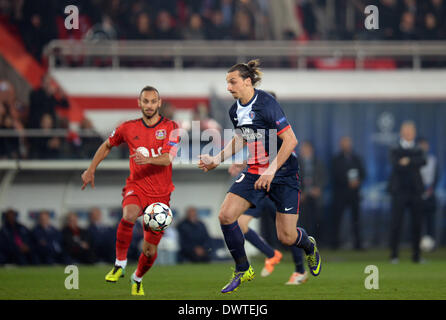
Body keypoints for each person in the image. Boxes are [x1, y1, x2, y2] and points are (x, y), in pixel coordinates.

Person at [198, 59, 321, 294]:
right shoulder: (235, 110)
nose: (228, 87)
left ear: (247, 81)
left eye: (232, 82)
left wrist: (272, 169)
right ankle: (243, 268)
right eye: (227, 82)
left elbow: (291, 141)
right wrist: (217, 159)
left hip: (283, 173)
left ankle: (309, 245)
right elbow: (242, 138)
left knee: (286, 237)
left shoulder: (267, 103)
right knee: (226, 215)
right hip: (256, 170)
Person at [81, 86, 179, 296]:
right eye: (146, 101)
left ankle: (137, 278)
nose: (149, 105)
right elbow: (107, 145)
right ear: (139, 103)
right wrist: (91, 169)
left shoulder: (172, 127)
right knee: (129, 215)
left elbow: (169, 157)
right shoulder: (127, 127)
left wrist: (148, 159)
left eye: (153, 101)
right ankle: (119, 264)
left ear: (159, 103)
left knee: (149, 250)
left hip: (161, 195)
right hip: (137, 186)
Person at [388, 121, 426, 263]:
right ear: (401, 133)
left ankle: (416, 255)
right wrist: (410, 162)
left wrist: (408, 160)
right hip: (399, 191)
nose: (409, 133)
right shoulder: (394, 148)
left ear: (414, 133)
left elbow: (423, 161)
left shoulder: (418, 148)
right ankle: (394, 255)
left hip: (415, 190)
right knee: (396, 223)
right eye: (406, 131)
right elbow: (395, 163)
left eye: (411, 131)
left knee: (417, 224)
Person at [331, 136, 366, 250]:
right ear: (341, 145)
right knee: (337, 220)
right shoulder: (336, 159)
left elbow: (363, 173)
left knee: (356, 220)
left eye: (348, 143)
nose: (346, 145)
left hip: (354, 194)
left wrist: (358, 181)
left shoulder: (357, 158)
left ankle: (358, 244)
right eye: (344, 143)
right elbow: (335, 174)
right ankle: (335, 243)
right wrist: (347, 182)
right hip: (340, 194)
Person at [298, 141, 327, 243]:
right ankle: (303, 241)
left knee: (316, 219)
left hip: (315, 195)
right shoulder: (296, 163)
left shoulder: (318, 163)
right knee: (302, 220)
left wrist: (318, 188)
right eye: (303, 149)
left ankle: (317, 242)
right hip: (302, 197)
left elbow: (323, 178)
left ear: (311, 150)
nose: (304, 151)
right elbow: (293, 179)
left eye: (306, 148)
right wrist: (300, 193)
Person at [418, 138, 439, 245]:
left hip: (430, 195)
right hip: (417, 195)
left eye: (425, 145)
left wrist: (430, 189)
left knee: (430, 221)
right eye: (421, 145)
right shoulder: (415, 160)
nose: (423, 147)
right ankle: (417, 243)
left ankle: (432, 243)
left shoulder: (432, 160)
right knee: (417, 221)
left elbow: (436, 177)